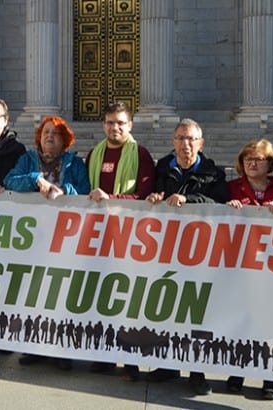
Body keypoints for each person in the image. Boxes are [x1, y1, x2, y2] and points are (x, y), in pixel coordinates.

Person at [145, 118, 228, 395]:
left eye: (191, 139)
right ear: (173, 142)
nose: (185, 144)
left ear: (201, 143)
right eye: (180, 139)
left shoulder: (214, 173)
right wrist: (155, 197)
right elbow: (150, 195)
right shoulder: (162, 169)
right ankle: (168, 365)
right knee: (167, 308)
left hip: (198, 253)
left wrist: (188, 200)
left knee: (196, 313)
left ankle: (197, 371)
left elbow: (219, 204)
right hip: (166, 250)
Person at [5, 116, 88, 370]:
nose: (49, 137)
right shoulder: (28, 159)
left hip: (65, 236)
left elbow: (84, 189)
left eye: (56, 133)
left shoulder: (74, 163)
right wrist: (34, 179)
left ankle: (61, 348)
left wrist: (66, 192)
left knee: (62, 292)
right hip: (34, 237)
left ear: (65, 141)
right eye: (46, 132)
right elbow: (10, 180)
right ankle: (35, 346)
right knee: (35, 291)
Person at [84, 101, 155, 381]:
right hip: (97, 237)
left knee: (127, 299)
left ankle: (132, 360)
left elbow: (145, 194)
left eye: (120, 123)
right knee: (100, 297)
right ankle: (103, 354)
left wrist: (112, 199)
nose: (115, 128)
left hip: (128, 238)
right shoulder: (94, 154)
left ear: (130, 126)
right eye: (110, 122)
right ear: (103, 125)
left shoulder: (141, 155)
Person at [224, 138, 273, 400]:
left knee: (272, 324)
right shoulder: (231, 188)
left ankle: (270, 379)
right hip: (241, 266)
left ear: (270, 163)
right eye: (247, 159)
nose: (251, 164)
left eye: (257, 159)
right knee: (242, 320)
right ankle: (237, 372)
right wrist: (227, 209)